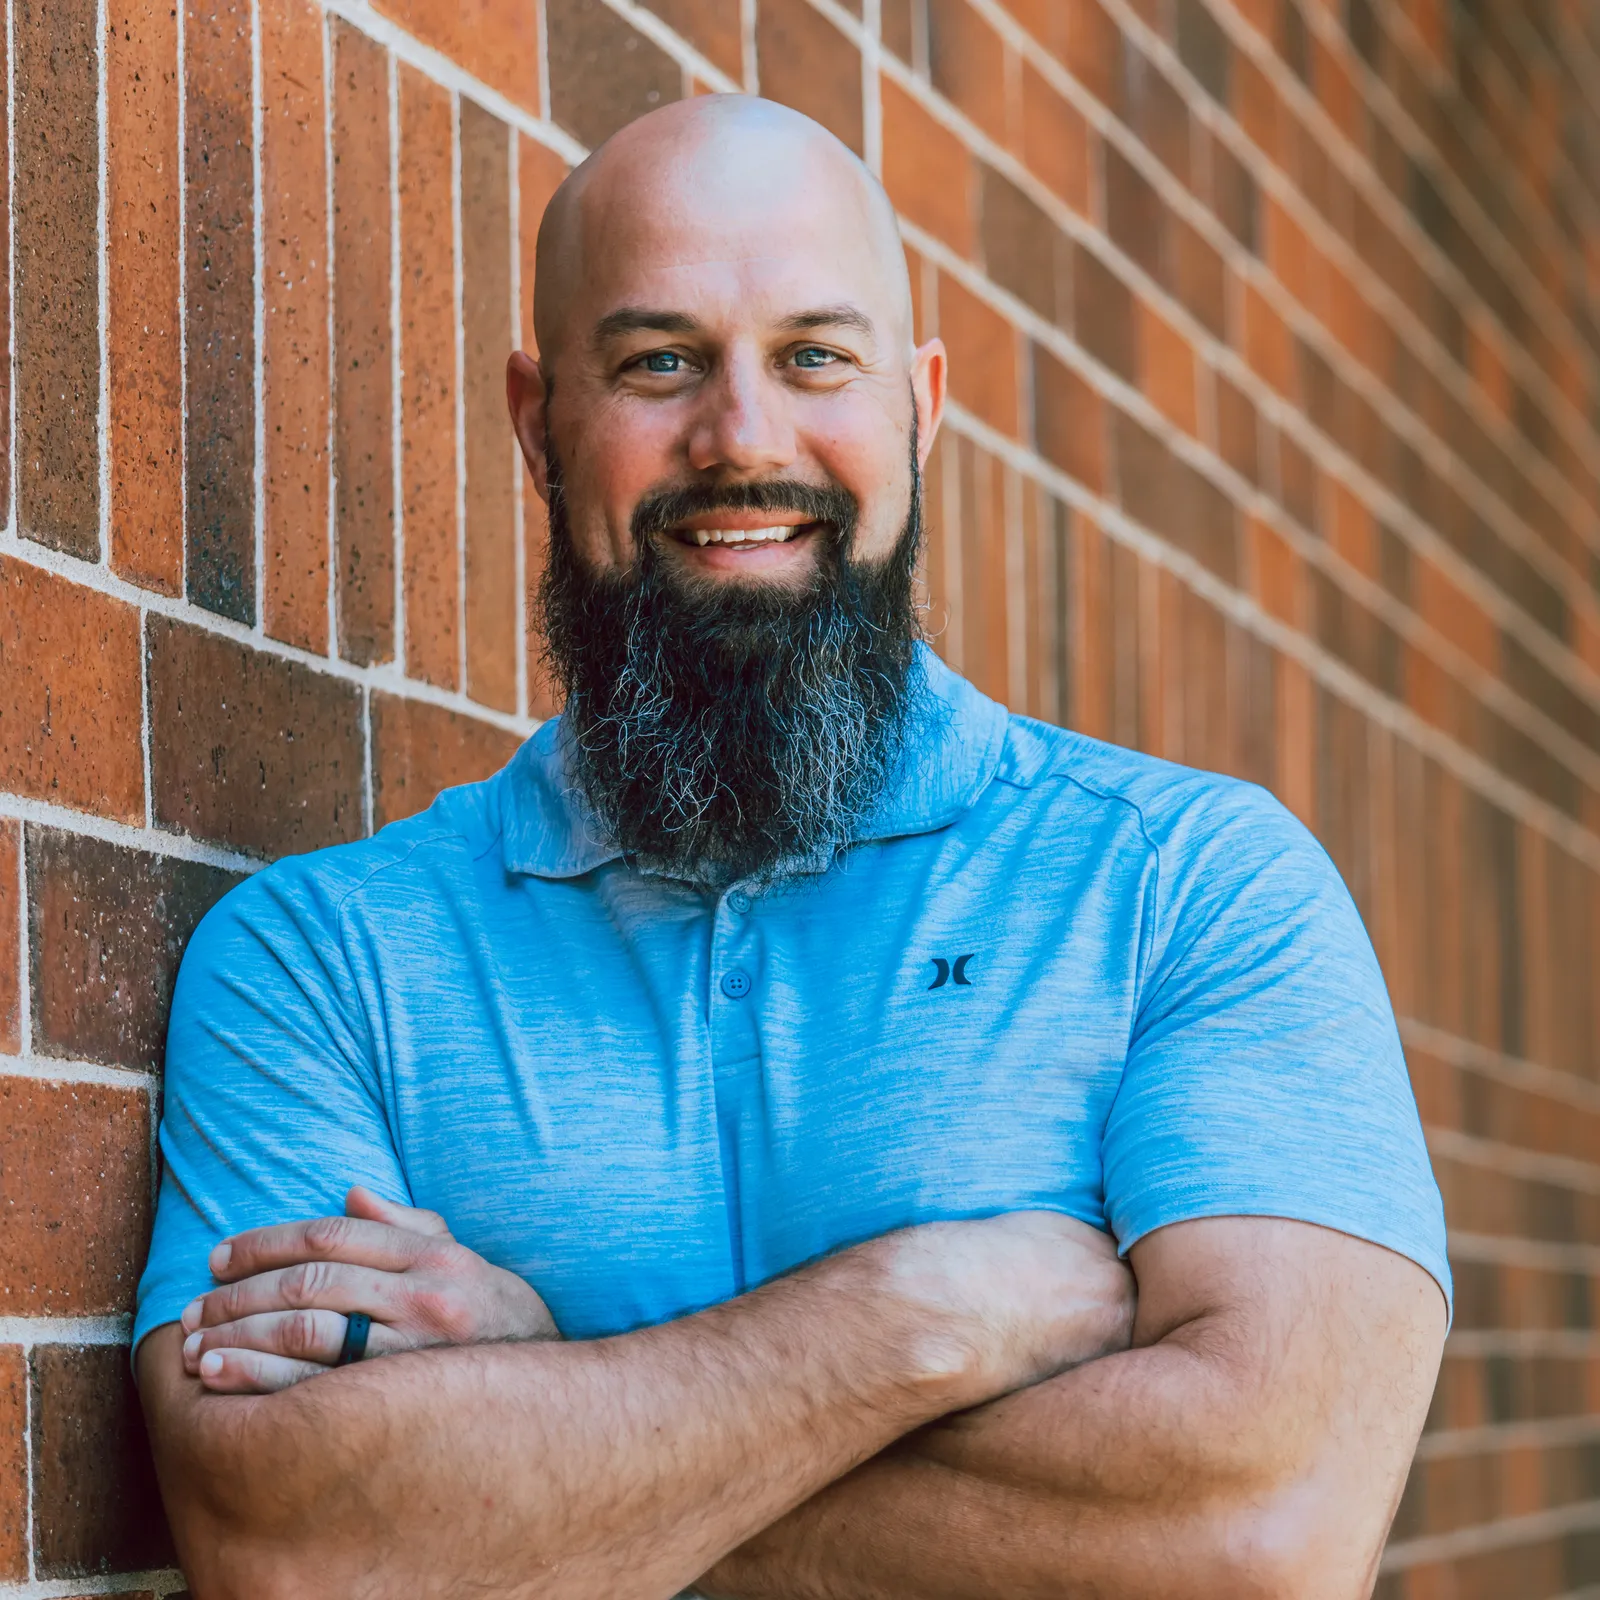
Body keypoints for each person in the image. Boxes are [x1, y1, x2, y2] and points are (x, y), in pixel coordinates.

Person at [136, 94, 1449, 1600]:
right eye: (658, 364)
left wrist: (553, 1418)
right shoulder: (321, 966)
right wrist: (918, 1320)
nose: (742, 439)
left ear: (921, 406)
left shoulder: (1188, 890)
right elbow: (288, 1545)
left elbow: (1264, 1532)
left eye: (815, 357)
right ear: (536, 424)